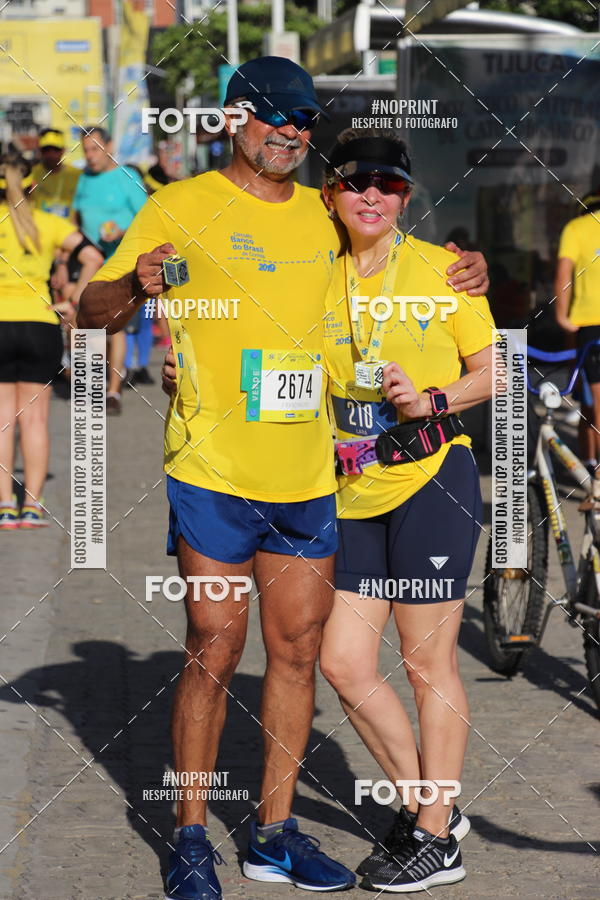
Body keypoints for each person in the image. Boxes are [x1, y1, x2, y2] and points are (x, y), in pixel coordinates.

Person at [78, 56, 489, 900]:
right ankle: (191, 837)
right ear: (233, 119)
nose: (290, 130)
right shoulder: (178, 205)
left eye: (303, 118)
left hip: (308, 477)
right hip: (214, 469)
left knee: (298, 654)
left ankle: (274, 835)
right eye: (272, 115)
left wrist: (465, 271)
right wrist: (134, 286)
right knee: (214, 645)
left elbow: (387, 242)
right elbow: (93, 312)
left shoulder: (323, 214)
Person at [313, 128, 495, 893]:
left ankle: (433, 836)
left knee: (426, 663)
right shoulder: (310, 272)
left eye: (387, 184)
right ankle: (431, 811)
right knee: (343, 662)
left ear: (406, 196)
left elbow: (494, 370)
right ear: (331, 192)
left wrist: (431, 400)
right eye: (357, 182)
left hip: (433, 479)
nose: (372, 196)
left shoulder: (442, 272)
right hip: (351, 488)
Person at [0, 153, 103, 528]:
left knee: (2, 421)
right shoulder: (48, 222)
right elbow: (93, 256)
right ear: (32, 185)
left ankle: (4, 506)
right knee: (35, 420)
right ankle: (31, 506)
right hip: (40, 323)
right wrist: (73, 299)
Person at [73, 126, 148, 414]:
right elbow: (76, 219)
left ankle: (112, 392)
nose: (90, 156)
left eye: (95, 149)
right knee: (83, 321)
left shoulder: (127, 177)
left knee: (113, 326)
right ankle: (91, 384)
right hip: (89, 261)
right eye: (86, 150)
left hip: (121, 262)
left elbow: (147, 219)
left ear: (110, 146)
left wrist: (120, 231)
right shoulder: (84, 179)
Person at [555, 188, 600, 481]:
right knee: (590, 404)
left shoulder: (576, 228)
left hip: (590, 326)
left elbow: (563, 275)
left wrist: (562, 317)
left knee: (592, 405)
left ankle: (594, 472)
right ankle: (592, 470)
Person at [31, 128, 81, 220]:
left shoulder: (77, 175)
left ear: (63, 150)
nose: (51, 154)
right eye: (46, 149)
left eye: (56, 149)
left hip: (68, 228)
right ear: (40, 151)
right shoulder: (31, 174)